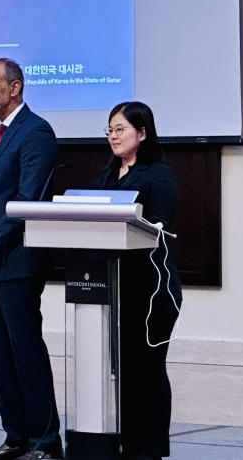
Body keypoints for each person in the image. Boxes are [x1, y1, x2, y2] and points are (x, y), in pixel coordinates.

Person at [0, 58, 61, 460]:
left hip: (16, 261)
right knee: (0, 354)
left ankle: (45, 440)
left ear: (15, 88)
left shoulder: (36, 132)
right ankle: (16, 436)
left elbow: (28, 200)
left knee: (25, 350)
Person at [94, 101, 181, 460]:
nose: (113, 136)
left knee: (148, 369)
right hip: (112, 287)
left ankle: (150, 449)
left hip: (150, 290)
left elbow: (157, 226)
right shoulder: (104, 176)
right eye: (110, 130)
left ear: (142, 133)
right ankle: (128, 444)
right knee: (122, 372)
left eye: (121, 130)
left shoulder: (158, 175)